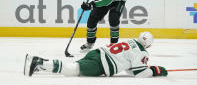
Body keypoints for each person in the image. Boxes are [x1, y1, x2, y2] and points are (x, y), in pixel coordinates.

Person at [24, 32, 168, 77]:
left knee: (74, 66)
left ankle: (42, 66)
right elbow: (140, 74)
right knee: (72, 70)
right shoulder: (142, 52)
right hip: (101, 64)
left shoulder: (131, 41)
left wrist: (144, 68)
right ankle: (39, 62)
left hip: (97, 53)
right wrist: (156, 71)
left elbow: (129, 69)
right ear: (149, 45)